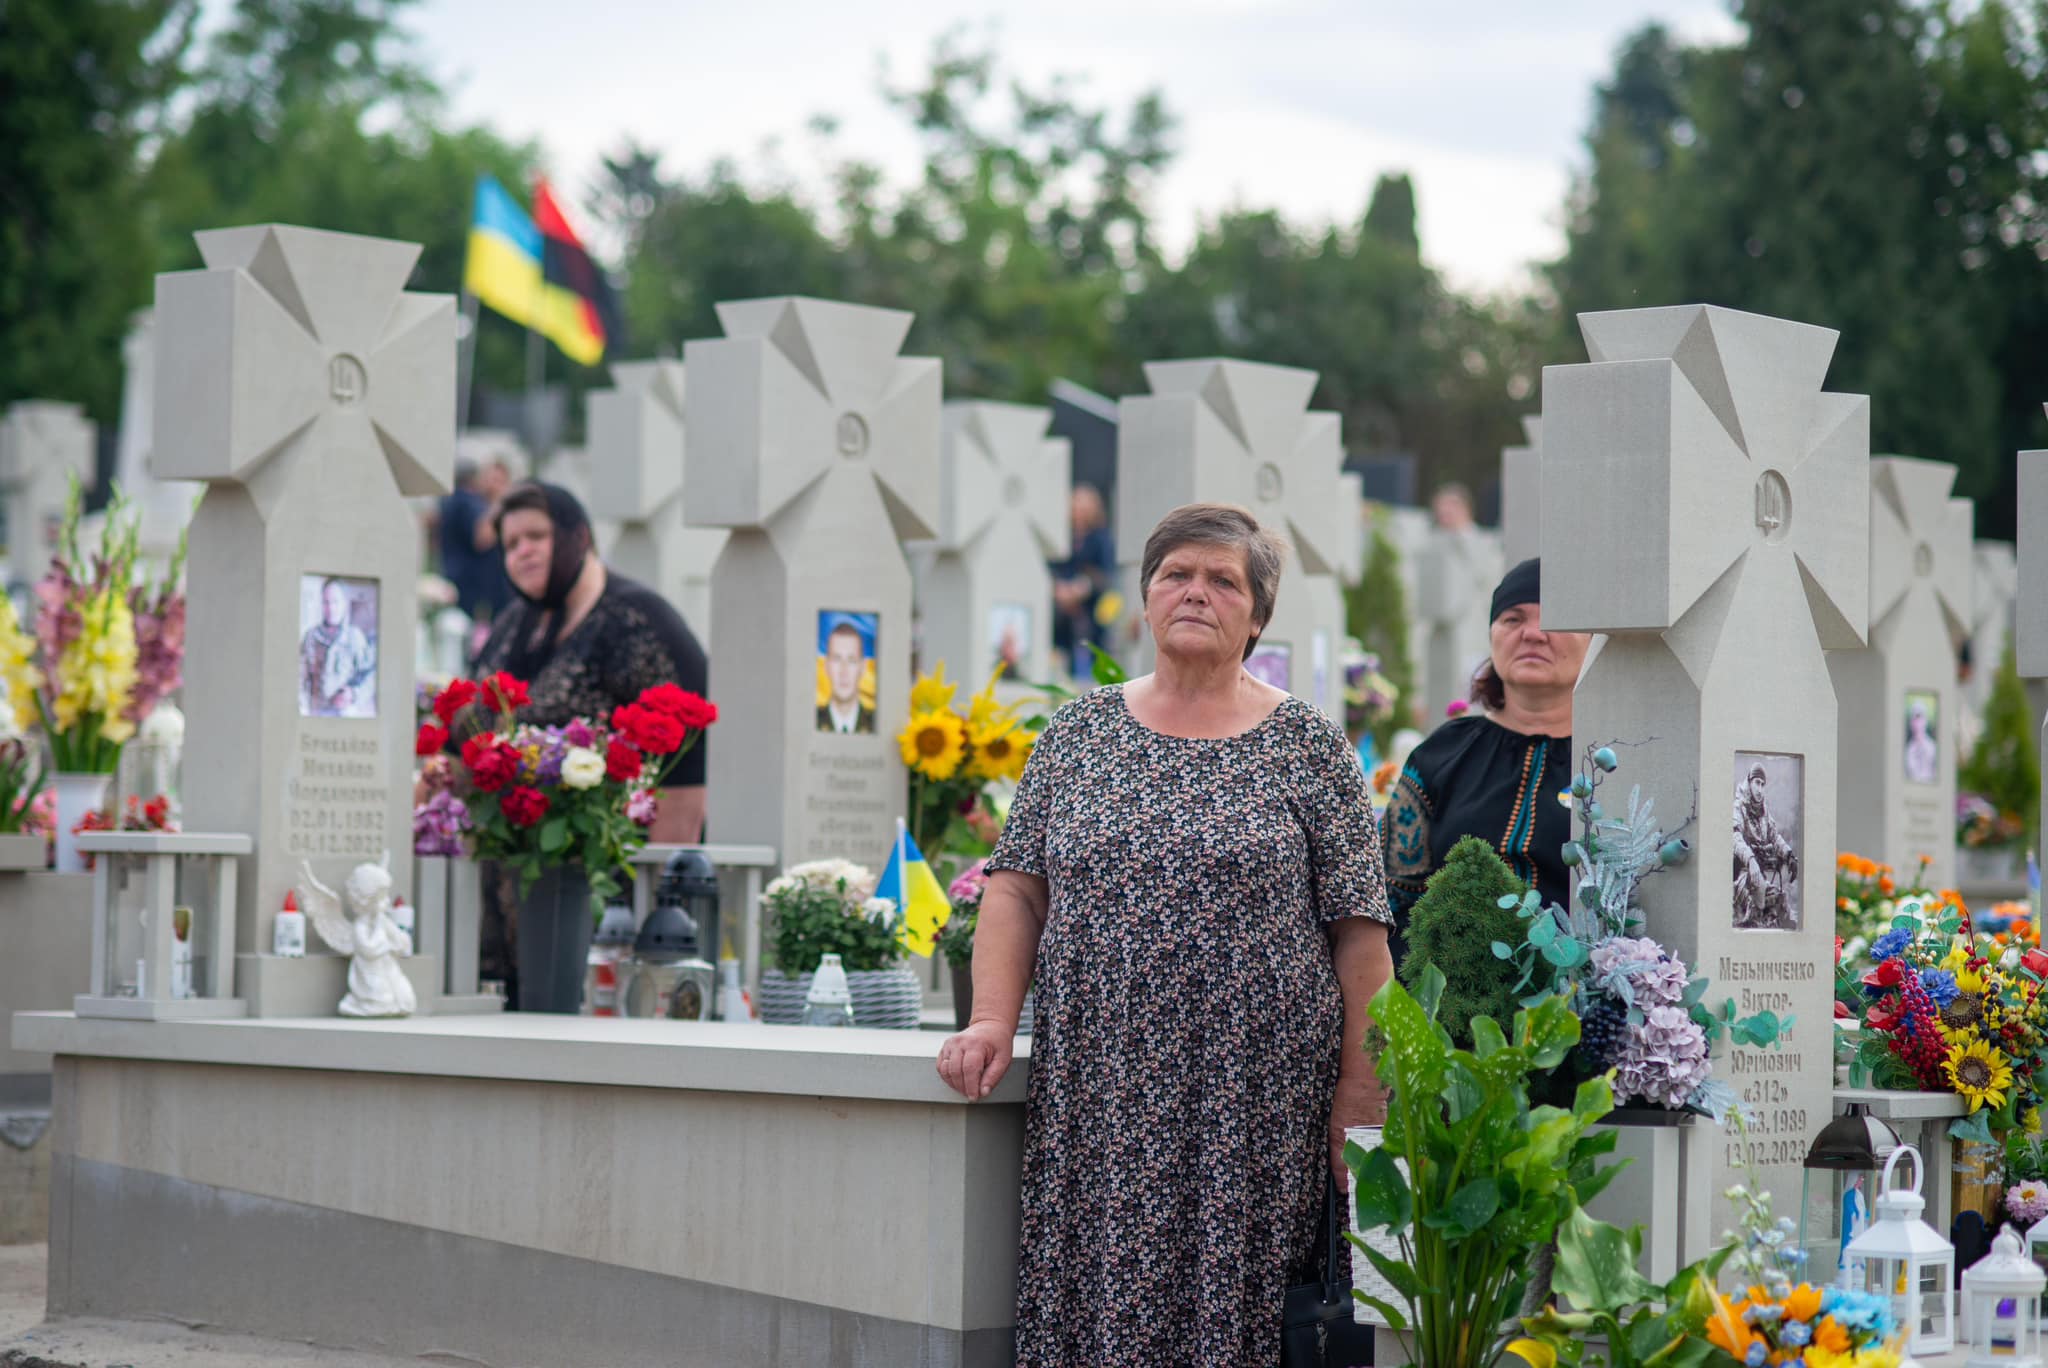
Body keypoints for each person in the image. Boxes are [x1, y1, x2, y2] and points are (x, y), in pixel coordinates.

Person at [937, 501, 1394, 1365]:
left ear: (1256, 617)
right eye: (1176, 574)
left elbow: (1361, 940)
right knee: (1099, 1303)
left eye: (1223, 581)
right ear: (1145, 600)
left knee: (1241, 1313)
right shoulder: (1077, 735)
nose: (1196, 592)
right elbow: (1015, 892)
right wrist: (993, 1019)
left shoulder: (1310, 747)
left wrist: (1360, 1094)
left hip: (1255, 1104)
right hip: (1100, 1092)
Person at [468, 481, 710, 1012]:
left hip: (606, 904)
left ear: (578, 538)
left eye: (536, 535)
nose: (522, 551)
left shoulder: (640, 621)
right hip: (506, 894)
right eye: (511, 544)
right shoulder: (514, 626)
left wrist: (655, 913)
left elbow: (687, 773)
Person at [1382, 558, 1590, 961]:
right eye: (1513, 619)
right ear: (1493, 635)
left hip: (1586, 1001)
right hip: (1449, 1004)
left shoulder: (1612, 760)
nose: (1533, 634)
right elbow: (1391, 897)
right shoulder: (1444, 754)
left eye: (1556, 621)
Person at [1049, 484, 1115, 677]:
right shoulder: (1060, 536)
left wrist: (1083, 587)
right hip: (1061, 610)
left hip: (1091, 609)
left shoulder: (1101, 538)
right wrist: (1059, 589)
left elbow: (1106, 573)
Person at [438, 457, 512, 624]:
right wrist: (500, 501)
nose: (494, 486)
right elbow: (483, 538)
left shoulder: (480, 506)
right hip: (468, 595)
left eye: (500, 481)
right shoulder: (466, 502)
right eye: (492, 479)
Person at [299, 577, 375, 717]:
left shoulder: (355, 638)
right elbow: (301, 678)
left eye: (335, 602)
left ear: (344, 604)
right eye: (326, 602)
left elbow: (369, 676)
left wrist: (353, 693)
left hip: (345, 718)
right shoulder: (311, 637)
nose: (331, 608)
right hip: (316, 716)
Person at [1733, 764, 1797, 929]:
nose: (1760, 789)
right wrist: (1750, 860)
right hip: (1739, 872)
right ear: (1749, 782)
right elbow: (1735, 837)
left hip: (1758, 874)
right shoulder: (1738, 807)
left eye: (1762, 784)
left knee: (1778, 898)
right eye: (1757, 782)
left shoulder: (1763, 812)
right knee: (1756, 897)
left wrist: (1789, 854)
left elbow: (1774, 836)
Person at [815, 621, 876, 734]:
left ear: (862, 667)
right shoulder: (811, 721)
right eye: (837, 659)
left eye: (851, 660)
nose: (844, 671)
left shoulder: (876, 723)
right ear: (826, 666)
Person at [1904, 699, 1938, 784]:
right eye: (1914, 719)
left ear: (1925, 721)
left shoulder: (1932, 747)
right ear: (1911, 723)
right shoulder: (1908, 750)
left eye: (1920, 718)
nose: (1917, 723)